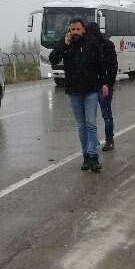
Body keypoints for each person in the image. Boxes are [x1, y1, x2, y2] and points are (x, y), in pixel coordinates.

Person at [49, 18, 109, 172]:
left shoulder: (91, 44)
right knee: (82, 125)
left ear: (83, 29)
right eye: (72, 29)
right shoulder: (66, 44)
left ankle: (93, 156)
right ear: (69, 30)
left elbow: (101, 64)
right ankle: (85, 157)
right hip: (74, 91)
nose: (75, 32)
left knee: (91, 123)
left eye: (77, 29)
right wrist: (64, 45)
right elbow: (53, 59)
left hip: (90, 90)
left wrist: (104, 83)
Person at [85, 22, 118, 151]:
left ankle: (109, 140)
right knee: (91, 116)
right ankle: (95, 141)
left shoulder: (107, 45)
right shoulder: (88, 45)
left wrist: (108, 84)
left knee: (106, 114)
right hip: (92, 85)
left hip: (104, 86)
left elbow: (112, 67)